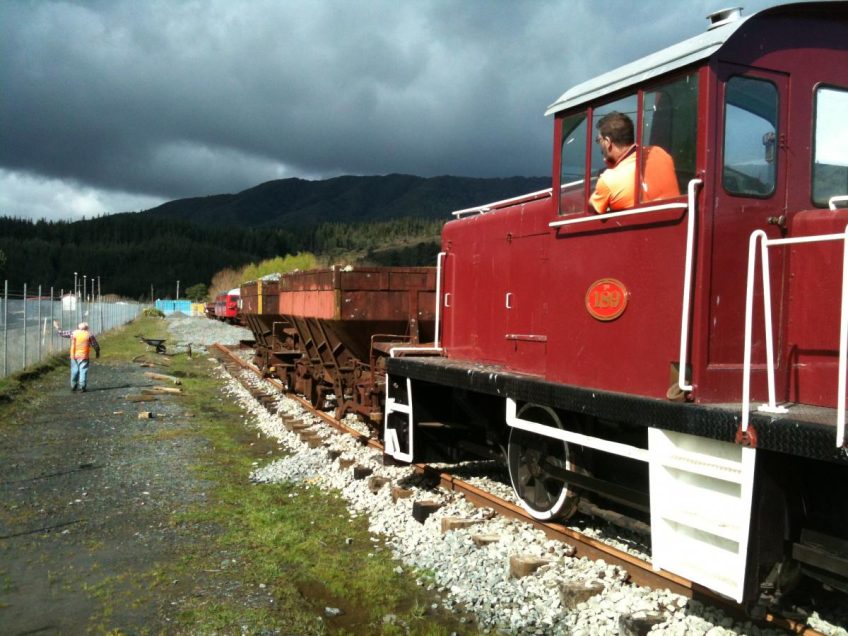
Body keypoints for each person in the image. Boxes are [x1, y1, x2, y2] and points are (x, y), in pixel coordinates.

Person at [589, 111, 679, 213]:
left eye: (598, 140)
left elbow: (591, 208)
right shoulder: (660, 153)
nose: (599, 145)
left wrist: (611, 169)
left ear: (608, 142)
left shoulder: (609, 180)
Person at [53, 320, 101, 392]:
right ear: (87, 328)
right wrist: (97, 352)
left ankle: (73, 385)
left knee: (74, 370)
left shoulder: (73, 333)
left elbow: (62, 333)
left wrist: (57, 327)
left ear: (78, 328)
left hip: (74, 355)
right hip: (84, 356)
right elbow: (95, 345)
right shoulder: (89, 334)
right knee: (83, 371)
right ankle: (82, 387)